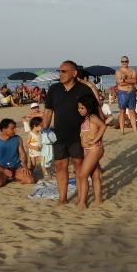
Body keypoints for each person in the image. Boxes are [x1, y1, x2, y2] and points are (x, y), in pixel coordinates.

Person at [43, 61, 94, 204]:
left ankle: (82, 199)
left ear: (74, 73)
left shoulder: (83, 90)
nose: (60, 74)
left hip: (78, 135)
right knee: (60, 166)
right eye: (59, 71)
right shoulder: (54, 89)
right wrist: (44, 131)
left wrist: (94, 133)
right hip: (58, 135)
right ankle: (62, 198)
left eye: (64, 71)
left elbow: (93, 112)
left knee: (79, 165)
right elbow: (48, 111)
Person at [77, 94, 106, 208]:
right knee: (95, 175)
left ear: (88, 107)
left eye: (82, 108)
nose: (79, 110)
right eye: (79, 108)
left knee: (82, 175)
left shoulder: (92, 117)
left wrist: (95, 140)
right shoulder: (86, 118)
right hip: (88, 150)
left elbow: (103, 126)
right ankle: (98, 199)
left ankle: (83, 202)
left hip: (95, 149)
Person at [0, 119, 32, 188]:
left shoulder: (18, 138)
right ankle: (6, 177)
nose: (15, 130)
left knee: (30, 180)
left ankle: (15, 176)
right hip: (2, 168)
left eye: (15, 128)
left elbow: (22, 154)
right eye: (12, 128)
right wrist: (4, 171)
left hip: (16, 166)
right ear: (4, 129)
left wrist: (25, 166)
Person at [115, 55, 137, 134]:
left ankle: (135, 130)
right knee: (122, 111)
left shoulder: (133, 70)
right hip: (122, 93)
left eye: (126, 61)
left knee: (132, 111)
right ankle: (122, 131)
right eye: (123, 61)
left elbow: (135, 81)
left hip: (131, 93)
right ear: (121, 62)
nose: (124, 63)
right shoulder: (118, 71)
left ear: (128, 62)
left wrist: (124, 79)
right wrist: (129, 80)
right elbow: (120, 83)